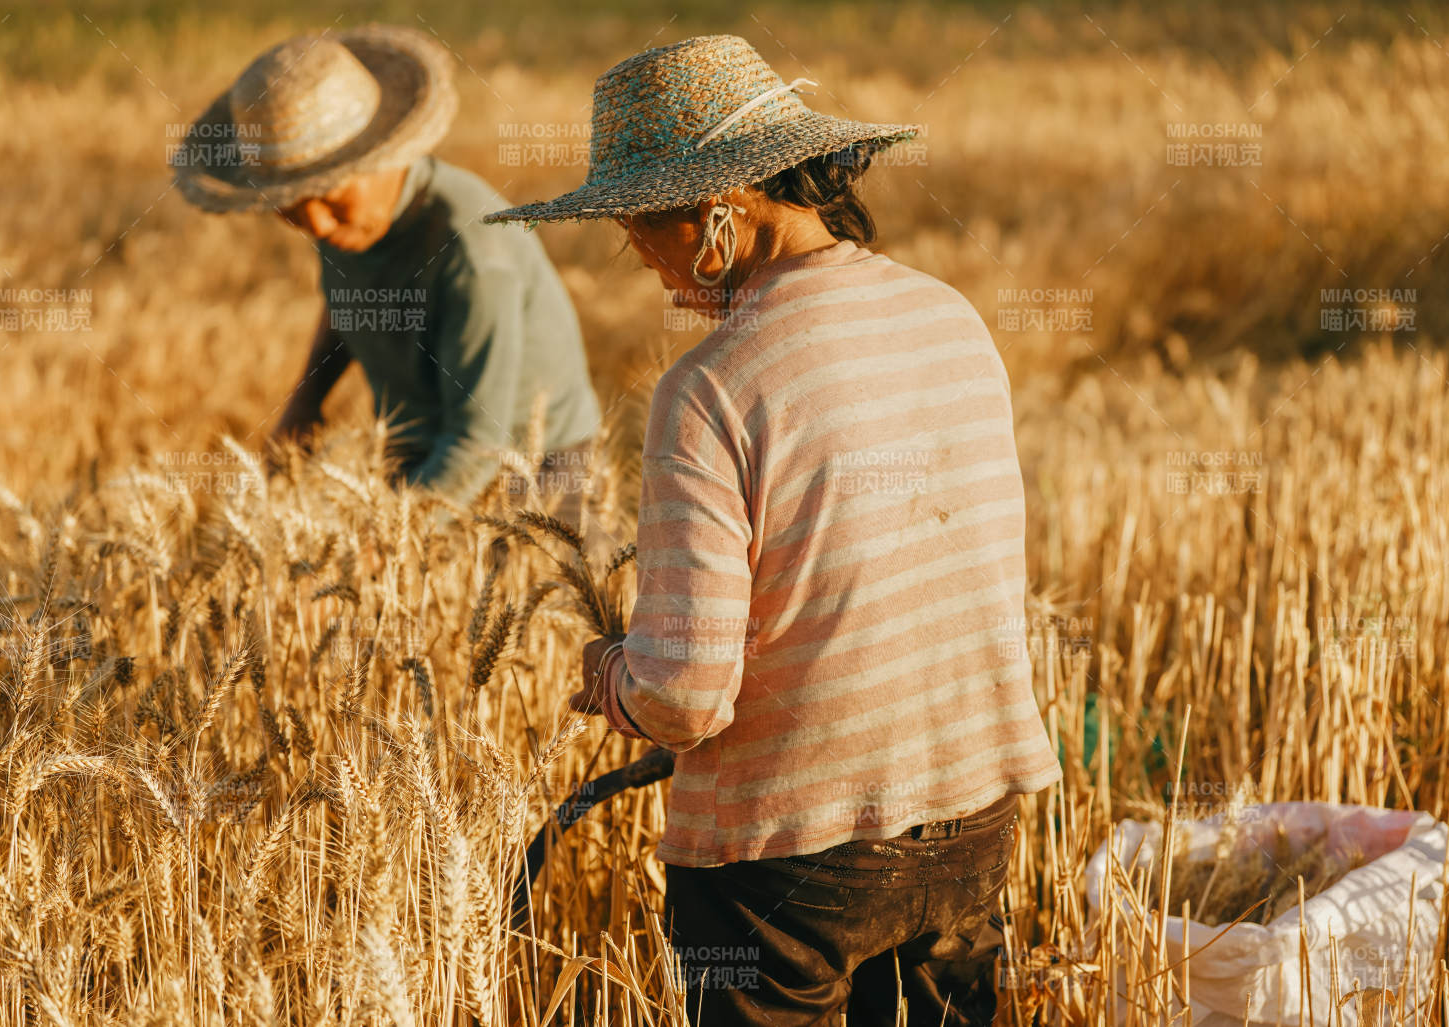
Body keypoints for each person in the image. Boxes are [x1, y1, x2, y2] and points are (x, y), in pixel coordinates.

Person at [486, 35, 1063, 1026]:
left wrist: (613, 675)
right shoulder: (950, 317)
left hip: (790, 857)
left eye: (644, 231)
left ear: (719, 213)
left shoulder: (709, 389)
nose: (648, 267)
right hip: (974, 813)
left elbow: (684, 697)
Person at [171, 26, 601, 504]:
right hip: (418, 442)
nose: (316, 224)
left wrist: (389, 539)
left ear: (384, 155)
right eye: (288, 207)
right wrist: (306, 401)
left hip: (532, 464)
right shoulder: (347, 222)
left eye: (330, 197)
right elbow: (349, 296)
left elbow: (478, 442)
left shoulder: (473, 253)